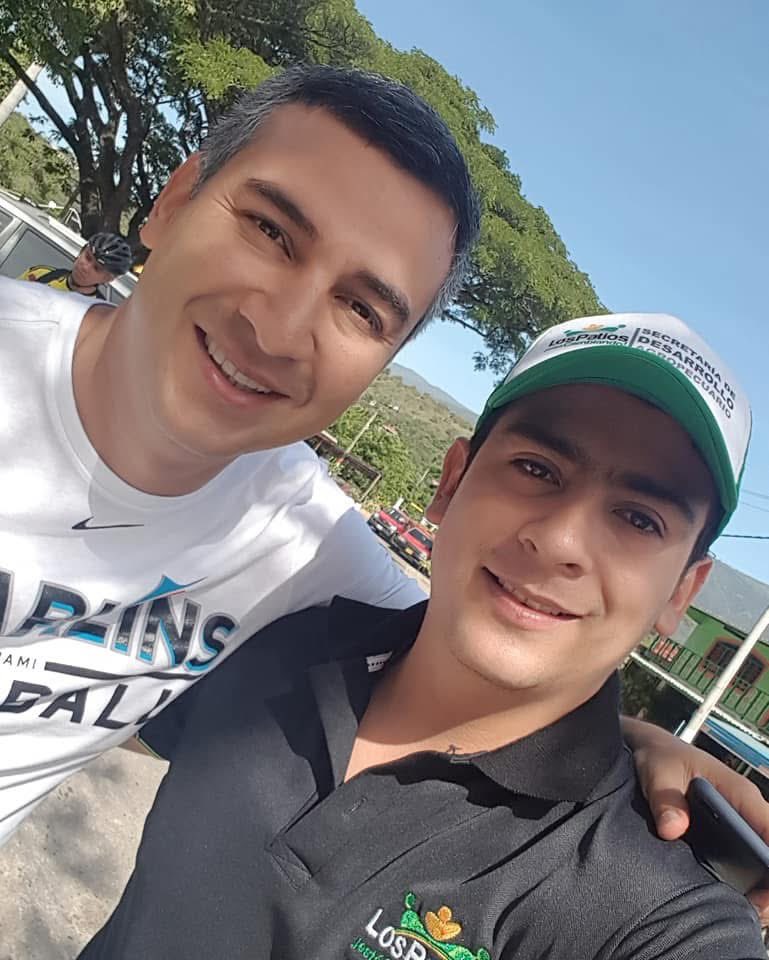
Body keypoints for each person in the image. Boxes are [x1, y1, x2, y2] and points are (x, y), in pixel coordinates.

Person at [0, 65, 763, 868]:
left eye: (361, 309)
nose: (278, 330)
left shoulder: (300, 545)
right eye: (269, 232)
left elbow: (488, 665)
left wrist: (637, 743)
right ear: (174, 200)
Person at [77, 312, 766, 960]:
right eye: (536, 469)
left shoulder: (656, 912)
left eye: (639, 519)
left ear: (680, 592)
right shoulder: (288, 630)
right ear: (451, 481)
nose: (560, 540)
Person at [17, 231, 133, 296]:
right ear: (81, 251)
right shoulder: (40, 274)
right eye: (88, 257)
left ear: (107, 279)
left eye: (97, 268)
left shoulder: (95, 314)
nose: (86, 267)